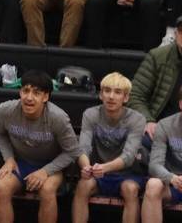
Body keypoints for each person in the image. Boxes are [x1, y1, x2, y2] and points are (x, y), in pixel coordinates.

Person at [0, 70, 82, 223]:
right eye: (25, 91)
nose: (29, 97)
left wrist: (45, 171)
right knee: (2, 187)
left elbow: (72, 151)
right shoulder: (6, 110)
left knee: (47, 190)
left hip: (51, 167)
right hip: (21, 163)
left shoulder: (58, 117)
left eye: (36, 93)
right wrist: (8, 159)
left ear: (45, 97)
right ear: (20, 92)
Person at [72, 73, 147, 223]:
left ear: (126, 98)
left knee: (130, 190)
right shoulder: (91, 114)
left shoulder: (137, 119)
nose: (111, 96)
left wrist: (104, 168)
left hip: (128, 173)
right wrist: (86, 167)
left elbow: (129, 156)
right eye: (107, 91)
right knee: (83, 185)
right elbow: (83, 147)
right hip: (99, 172)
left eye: (117, 92)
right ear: (101, 94)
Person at [127, 18, 182, 141]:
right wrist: (148, 120)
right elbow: (135, 94)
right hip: (160, 125)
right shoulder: (157, 56)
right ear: (176, 34)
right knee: (143, 139)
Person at [141, 88, 182, 223]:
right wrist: (172, 178)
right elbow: (155, 165)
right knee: (153, 184)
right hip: (173, 184)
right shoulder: (165, 125)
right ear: (181, 104)